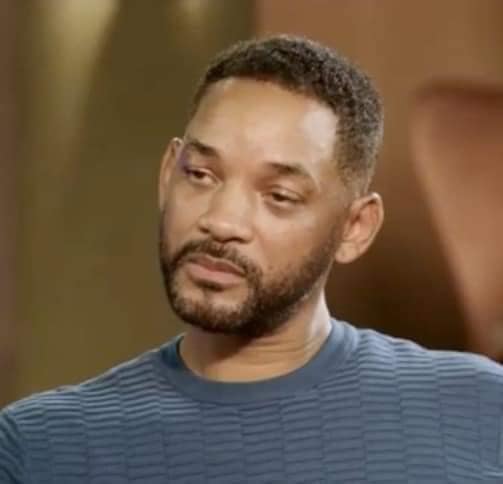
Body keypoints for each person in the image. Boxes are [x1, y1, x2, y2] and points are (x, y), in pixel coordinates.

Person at [1, 34, 502, 484]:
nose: (221, 221)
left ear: (355, 229)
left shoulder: (479, 410)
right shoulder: (40, 448)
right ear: (167, 176)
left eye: (279, 196)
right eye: (201, 175)